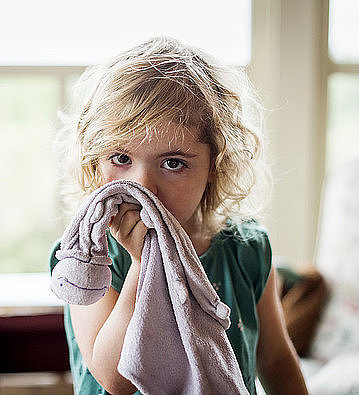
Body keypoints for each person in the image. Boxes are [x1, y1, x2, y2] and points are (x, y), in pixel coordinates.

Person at [49, 36, 308, 395]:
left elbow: (276, 359)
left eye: (173, 163)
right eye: (121, 158)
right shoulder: (90, 254)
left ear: (215, 165)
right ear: (95, 158)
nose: (142, 187)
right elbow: (114, 379)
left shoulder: (246, 250)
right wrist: (143, 263)